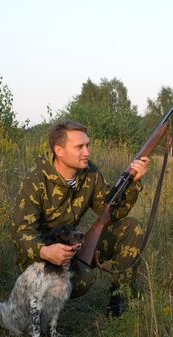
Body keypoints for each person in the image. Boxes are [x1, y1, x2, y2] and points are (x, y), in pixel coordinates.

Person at [11, 120, 150, 317]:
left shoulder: (89, 173)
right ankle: (38, 310)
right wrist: (44, 251)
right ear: (59, 150)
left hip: (72, 244)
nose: (87, 152)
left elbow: (112, 213)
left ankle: (118, 300)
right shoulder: (35, 179)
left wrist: (134, 182)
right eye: (79, 147)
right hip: (41, 258)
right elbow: (20, 229)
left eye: (87, 145)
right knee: (83, 280)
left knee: (131, 227)